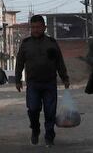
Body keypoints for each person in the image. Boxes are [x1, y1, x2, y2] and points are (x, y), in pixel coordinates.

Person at [13, 16, 71, 145]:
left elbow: (59, 62)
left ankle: (49, 135)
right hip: (33, 83)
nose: (36, 30)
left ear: (44, 27)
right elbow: (19, 63)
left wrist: (65, 77)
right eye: (33, 27)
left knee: (50, 111)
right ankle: (35, 128)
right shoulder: (26, 44)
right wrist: (17, 80)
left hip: (49, 82)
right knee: (33, 109)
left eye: (38, 27)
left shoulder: (51, 43)